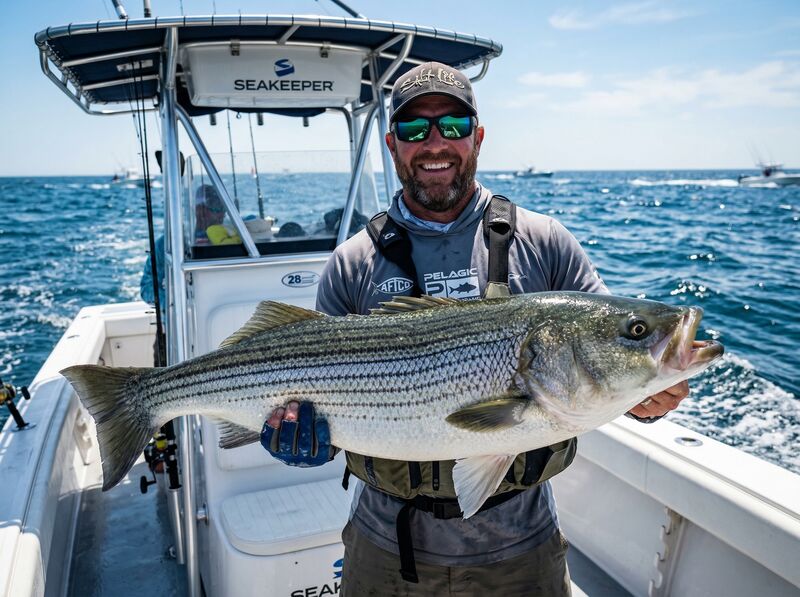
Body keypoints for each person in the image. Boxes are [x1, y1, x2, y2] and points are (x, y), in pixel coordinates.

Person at [261, 62, 689, 596]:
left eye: (454, 127)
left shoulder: (545, 241)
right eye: (415, 130)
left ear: (478, 138)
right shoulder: (352, 263)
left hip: (522, 545)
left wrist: (646, 395)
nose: (434, 144)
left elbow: (607, 352)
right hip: (386, 547)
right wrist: (301, 436)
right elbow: (322, 398)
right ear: (393, 146)